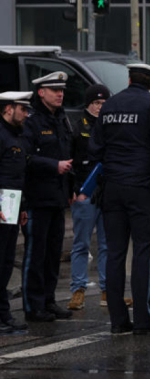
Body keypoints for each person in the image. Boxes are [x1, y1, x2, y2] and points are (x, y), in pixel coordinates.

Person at [89, 63, 150, 335]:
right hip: (141, 188)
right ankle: (144, 320)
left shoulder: (111, 104)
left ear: (129, 79)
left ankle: (118, 321)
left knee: (114, 253)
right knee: (142, 254)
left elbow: (95, 146)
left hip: (112, 188)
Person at [67, 84, 132, 310]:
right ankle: (78, 290)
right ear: (88, 104)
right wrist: (74, 189)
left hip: (108, 192)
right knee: (81, 244)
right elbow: (71, 161)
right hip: (85, 192)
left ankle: (108, 291)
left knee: (108, 244)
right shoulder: (78, 127)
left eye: (103, 103)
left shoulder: (111, 125)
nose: (99, 107)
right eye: (95, 103)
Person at [21, 72, 75, 323]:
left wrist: (71, 188)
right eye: (54, 90)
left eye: (62, 90)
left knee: (54, 253)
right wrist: (54, 166)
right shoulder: (31, 120)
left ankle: (49, 300)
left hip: (57, 197)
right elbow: (25, 158)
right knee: (36, 253)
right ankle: (33, 305)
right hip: (37, 197)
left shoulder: (61, 118)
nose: (60, 94)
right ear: (41, 92)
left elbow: (68, 153)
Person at [0, 91, 32, 333]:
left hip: (11, 204)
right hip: (1, 206)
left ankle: (3, 314)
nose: (26, 114)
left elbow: (18, 176)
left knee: (6, 262)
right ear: (8, 109)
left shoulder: (17, 135)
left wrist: (21, 208)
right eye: (22, 108)